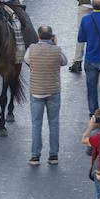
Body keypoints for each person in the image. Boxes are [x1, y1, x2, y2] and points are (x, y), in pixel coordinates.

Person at [27, 25, 67, 166]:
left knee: (36, 124)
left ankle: (35, 155)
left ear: (38, 36)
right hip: (53, 92)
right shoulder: (57, 50)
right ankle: (53, 155)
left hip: (36, 92)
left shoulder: (31, 49)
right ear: (52, 36)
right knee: (54, 123)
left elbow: (27, 60)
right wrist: (55, 45)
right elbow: (64, 61)